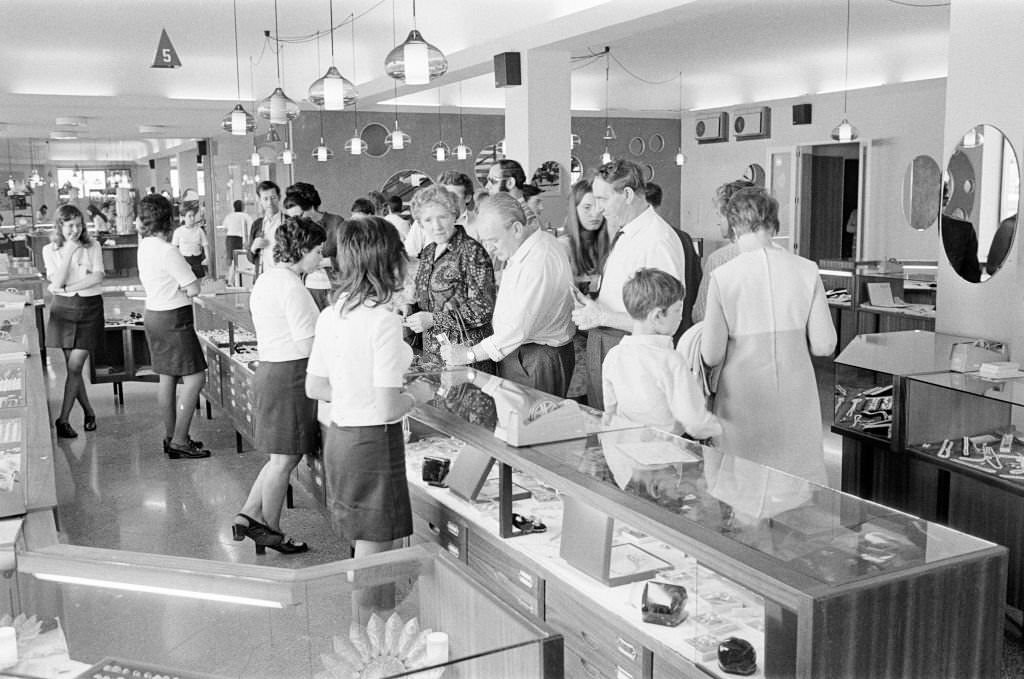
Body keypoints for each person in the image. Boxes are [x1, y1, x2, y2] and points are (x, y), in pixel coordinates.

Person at [305, 216, 435, 616]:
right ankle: (367, 643)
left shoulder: (334, 313)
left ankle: (375, 634)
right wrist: (418, 393)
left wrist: (357, 393)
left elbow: (316, 387)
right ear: (388, 262)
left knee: (370, 546)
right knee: (374, 551)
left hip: (341, 436)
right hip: (372, 442)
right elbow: (386, 406)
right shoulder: (381, 320)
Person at [701, 187, 836, 483]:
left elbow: (711, 354)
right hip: (795, 392)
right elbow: (825, 345)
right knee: (794, 479)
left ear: (734, 226)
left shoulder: (724, 276)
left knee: (744, 483)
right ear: (774, 224)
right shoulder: (807, 270)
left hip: (743, 394)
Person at [232, 217, 326, 555]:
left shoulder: (267, 279)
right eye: (317, 250)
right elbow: (306, 345)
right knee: (285, 460)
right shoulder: (292, 287)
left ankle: (247, 515)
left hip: (272, 371)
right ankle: (271, 529)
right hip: (290, 376)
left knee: (278, 458)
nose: (321, 258)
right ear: (301, 249)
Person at [571, 159, 686, 410]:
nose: (598, 209)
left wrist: (602, 316)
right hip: (606, 342)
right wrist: (594, 307)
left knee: (626, 435)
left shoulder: (658, 240)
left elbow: (664, 321)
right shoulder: (627, 233)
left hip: (632, 350)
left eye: (603, 199)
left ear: (627, 194)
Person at [441, 193, 576, 396]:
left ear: (516, 229)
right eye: (485, 241)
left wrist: (467, 354)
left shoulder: (538, 261)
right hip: (523, 354)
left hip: (534, 358)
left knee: (535, 425)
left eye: (493, 240)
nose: (490, 249)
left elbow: (516, 330)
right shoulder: (529, 249)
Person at [602, 268, 720, 438]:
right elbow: (694, 422)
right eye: (677, 310)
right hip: (665, 453)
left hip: (625, 451)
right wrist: (722, 430)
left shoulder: (614, 355)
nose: (680, 317)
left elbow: (610, 413)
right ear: (657, 316)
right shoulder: (671, 361)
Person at [137, 194, 211, 460]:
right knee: (196, 377)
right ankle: (180, 439)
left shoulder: (145, 245)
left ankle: (172, 436)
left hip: (153, 314)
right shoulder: (168, 251)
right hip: (174, 317)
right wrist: (185, 285)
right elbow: (193, 287)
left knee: (167, 376)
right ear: (169, 220)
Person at [404, 185, 496, 369]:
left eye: (442, 217)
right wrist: (409, 307)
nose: (436, 226)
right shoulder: (428, 251)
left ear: (454, 215)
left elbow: (484, 307)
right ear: (420, 224)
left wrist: (433, 319)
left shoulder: (472, 252)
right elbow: (426, 298)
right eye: (428, 220)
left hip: (467, 354)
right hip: (434, 353)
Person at [44, 205, 105, 439]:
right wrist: (68, 251)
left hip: (89, 308)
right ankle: (89, 412)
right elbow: (55, 279)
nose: (76, 230)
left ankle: (63, 419)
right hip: (63, 311)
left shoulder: (93, 245)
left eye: (79, 224)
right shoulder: (50, 250)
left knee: (75, 366)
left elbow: (98, 276)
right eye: (70, 225)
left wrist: (68, 287)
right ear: (60, 226)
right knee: (74, 370)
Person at [692, 179, 755, 324]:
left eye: (719, 215)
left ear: (731, 216)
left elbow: (701, 315)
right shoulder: (783, 259)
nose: (718, 222)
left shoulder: (719, 259)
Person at [646, 181, 701, 336]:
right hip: (682, 321)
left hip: (655, 327)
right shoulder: (683, 237)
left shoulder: (650, 238)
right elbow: (696, 279)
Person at [283, 182, 346, 310]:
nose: (297, 221)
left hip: (333, 288)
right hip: (307, 287)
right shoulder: (297, 228)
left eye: (300, 215)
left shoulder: (336, 223)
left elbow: (351, 259)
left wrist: (330, 262)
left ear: (310, 206)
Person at [247, 180, 283, 276]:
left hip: (284, 278)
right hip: (262, 279)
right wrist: (253, 248)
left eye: (273, 198)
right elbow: (250, 258)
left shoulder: (289, 222)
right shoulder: (257, 224)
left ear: (279, 198)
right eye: (265, 199)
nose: (270, 202)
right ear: (260, 201)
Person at [171, 202, 209, 280]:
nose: (192, 218)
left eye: (193, 216)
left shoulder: (199, 230)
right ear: (184, 217)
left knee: (199, 283)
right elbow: (174, 249)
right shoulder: (178, 231)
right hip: (184, 260)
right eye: (189, 216)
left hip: (197, 260)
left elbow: (205, 245)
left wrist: (207, 258)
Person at [221, 199, 253, 270]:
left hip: (230, 239)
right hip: (240, 239)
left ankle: (230, 277)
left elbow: (224, 228)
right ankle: (236, 277)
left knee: (230, 259)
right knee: (240, 259)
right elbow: (251, 228)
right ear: (243, 207)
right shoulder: (246, 216)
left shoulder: (229, 216)